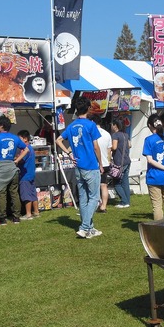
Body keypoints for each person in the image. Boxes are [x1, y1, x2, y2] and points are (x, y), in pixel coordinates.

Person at [56, 96, 104, 239]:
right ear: (88, 108)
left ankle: (89, 227)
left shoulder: (71, 126)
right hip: (90, 165)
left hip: (78, 166)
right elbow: (96, 147)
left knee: (83, 198)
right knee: (94, 198)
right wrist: (101, 163)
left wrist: (69, 153)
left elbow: (58, 140)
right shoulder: (90, 125)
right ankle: (84, 227)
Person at [16, 130, 40, 220]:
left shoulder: (25, 149)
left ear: (25, 139)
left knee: (26, 195)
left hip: (25, 175)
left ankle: (28, 213)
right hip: (31, 174)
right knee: (33, 194)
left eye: (20, 139)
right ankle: (36, 211)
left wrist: (16, 159)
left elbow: (21, 160)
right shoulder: (30, 148)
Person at [91, 115, 112, 213]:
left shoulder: (92, 133)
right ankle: (104, 206)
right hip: (106, 163)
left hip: (95, 163)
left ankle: (95, 205)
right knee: (104, 185)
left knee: (93, 186)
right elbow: (109, 150)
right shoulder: (107, 134)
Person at [110, 119, 132, 208]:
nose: (111, 126)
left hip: (119, 162)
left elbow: (114, 147)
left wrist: (108, 147)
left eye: (112, 124)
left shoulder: (115, 135)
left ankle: (124, 201)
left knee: (116, 183)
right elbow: (130, 145)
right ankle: (127, 201)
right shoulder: (125, 135)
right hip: (127, 160)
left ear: (115, 125)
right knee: (125, 182)